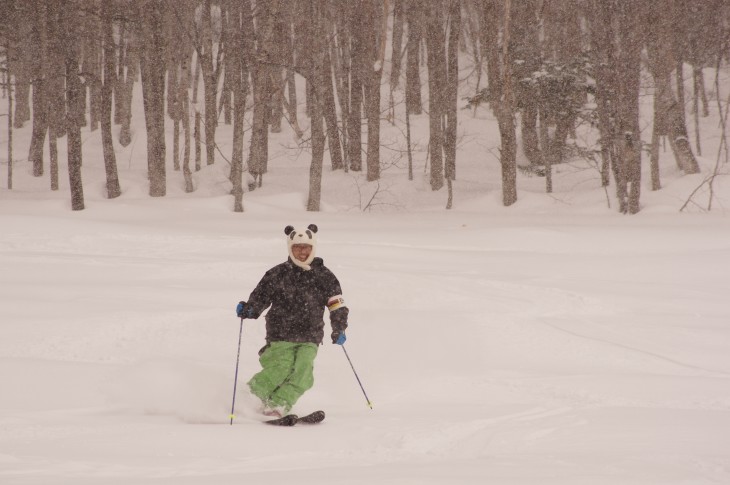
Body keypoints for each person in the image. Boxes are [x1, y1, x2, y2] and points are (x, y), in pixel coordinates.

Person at [236, 224, 348, 417]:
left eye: (306, 247)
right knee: (281, 368)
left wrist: (339, 328)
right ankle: (249, 399)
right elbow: (261, 296)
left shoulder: (324, 276)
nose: (302, 252)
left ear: (313, 248)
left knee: (303, 373)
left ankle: (278, 405)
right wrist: (250, 308)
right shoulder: (278, 273)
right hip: (281, 333)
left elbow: (336, 305)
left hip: (310, 335)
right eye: (297, 247)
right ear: (290, 248)